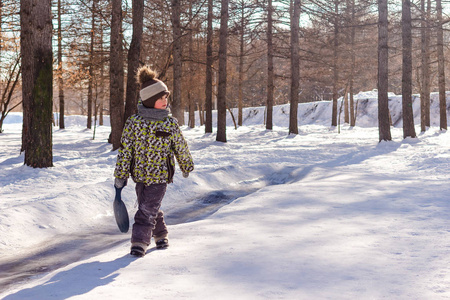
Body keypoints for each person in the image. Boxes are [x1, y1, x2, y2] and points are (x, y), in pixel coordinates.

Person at [114, 65, 194, 257]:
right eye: (162, 98)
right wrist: (121, 175)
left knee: (146, 209)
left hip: (160, 176)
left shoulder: (169, 123)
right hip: (140, 176)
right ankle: (160, 235)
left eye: (166, 97)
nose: (166, 101)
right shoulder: (134, 123)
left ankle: (139, 242)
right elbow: (125, 151)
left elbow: (180, 145)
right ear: (150, 100)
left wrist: (185, 163)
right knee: (149, 207)